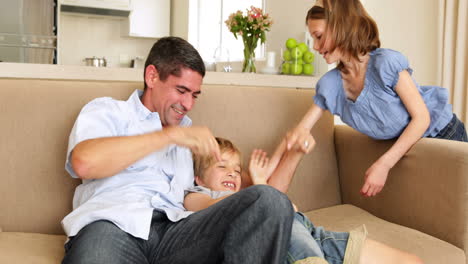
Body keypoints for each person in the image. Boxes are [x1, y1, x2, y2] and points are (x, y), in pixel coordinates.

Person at [61, 36, 295, 264]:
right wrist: (169, 135)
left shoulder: (188, 135)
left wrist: (287, 151)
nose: (189, 105)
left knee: (270, 201)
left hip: (179, 233)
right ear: (152, 76)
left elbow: (226, 182)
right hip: (112, 227)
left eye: (194, 95)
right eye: (181, 91)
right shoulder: (110, 111)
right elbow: (85, 162)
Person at [287, 0, 468, 198]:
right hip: (412, 149)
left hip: (444, 136)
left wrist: (384, 163)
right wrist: (266, 177)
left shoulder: (385, 63)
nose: (314, 46)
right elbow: (301, 130)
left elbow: (422, 118)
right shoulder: (331, 85)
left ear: (341, 26)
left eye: (319, 36)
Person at [185, 136, 423, 264]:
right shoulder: (196, 196)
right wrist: (259, 186)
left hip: (312, 233)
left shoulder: (246, 191)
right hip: (283, 241)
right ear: (199, 177)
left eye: (237, 170)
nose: (232, 173)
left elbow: (284, 204)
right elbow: (258, 209)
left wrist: (286, 153)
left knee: (412, 261)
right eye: (222, 166)